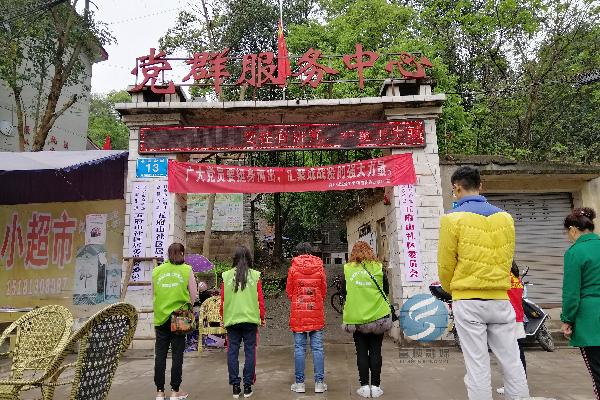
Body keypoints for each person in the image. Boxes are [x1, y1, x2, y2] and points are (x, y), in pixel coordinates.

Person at [438, 166, 529, 400]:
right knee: (512, 361)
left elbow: (446, 265)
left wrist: (450, 289)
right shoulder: (505, 218)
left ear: (456, 188)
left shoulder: (451, 219)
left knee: (477, 365)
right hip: (500, 299)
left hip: (468, 300)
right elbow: (508, 259)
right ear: (481, 185)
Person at [342, 241, 391, 399]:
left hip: (357, 318)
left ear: (353, 253)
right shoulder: (378, 268)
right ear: (370, 251)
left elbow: (344, 293)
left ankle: (364, 387)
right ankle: (375, 387)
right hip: (378, 317)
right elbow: (386, 290)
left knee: (361, 352)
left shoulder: (348, 269)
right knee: (376, 351)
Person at [561, 207, 600, 399]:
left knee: (598, 372)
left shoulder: (575, 252)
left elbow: (571, 292)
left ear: (573, 229)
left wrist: (567, 319)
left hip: (590, 320)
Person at [152, 243, 198, 400]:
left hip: (161, 317)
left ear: (168, 253)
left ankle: (159, 391)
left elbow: (154, 293)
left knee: (160, 355)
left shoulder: (157, 271)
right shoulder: (187, 269)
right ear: (182, 254)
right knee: (177, 354)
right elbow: (193, 295)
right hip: (180, 316)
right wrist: (188, 306)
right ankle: (175, 391)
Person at [220, 246, 265, 399]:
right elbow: (260, 300)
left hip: (232, 319)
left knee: (232, 351)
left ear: (234, 258)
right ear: (249, 258)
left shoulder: (226, 276)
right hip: (250, 319)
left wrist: (222, 318)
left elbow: (223, 300)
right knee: (250, 351)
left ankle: (235, 386)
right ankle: (247, 386)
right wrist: (262, 317)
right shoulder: (255, 275)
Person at [286, 242, 328, 394]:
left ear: (298, 253)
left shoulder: (293, 269)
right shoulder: (319, 267)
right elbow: (323, 291)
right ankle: (319, 383)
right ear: (311, 252)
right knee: (317, 348)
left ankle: (300, 384)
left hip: (299, 313)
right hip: (315, 313)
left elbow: (289, 292)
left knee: (299, 348)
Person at [497, 262, 527, 395]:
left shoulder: (504, 278)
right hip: (518, 319)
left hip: (507, 320)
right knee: (519, 354)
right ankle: (521, 383)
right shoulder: (517, 281)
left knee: (508, 356)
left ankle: (511, 386)